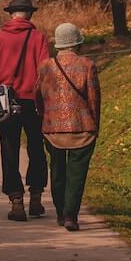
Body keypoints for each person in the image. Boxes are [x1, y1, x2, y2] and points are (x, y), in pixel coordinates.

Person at [0, 0, 50, 221]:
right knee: (36, 148)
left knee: (9, 149)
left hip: (6, 101)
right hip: (33, 101)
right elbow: (45, 71)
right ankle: (36, 197)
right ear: (29, 14)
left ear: (12, 14)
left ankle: (16, 200)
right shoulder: (38, 38)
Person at [35, 21, 101, 232]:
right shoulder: (87, 65)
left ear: (59, 44)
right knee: (76, 174)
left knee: (57, 171)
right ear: (77, 43)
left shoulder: (46, 66)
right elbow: (94, 99)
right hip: (82, 129)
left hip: (53, 129)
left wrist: (44, 117)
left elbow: (38, 96)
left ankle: (61, 213)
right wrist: (95, 124)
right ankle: (71, 215)